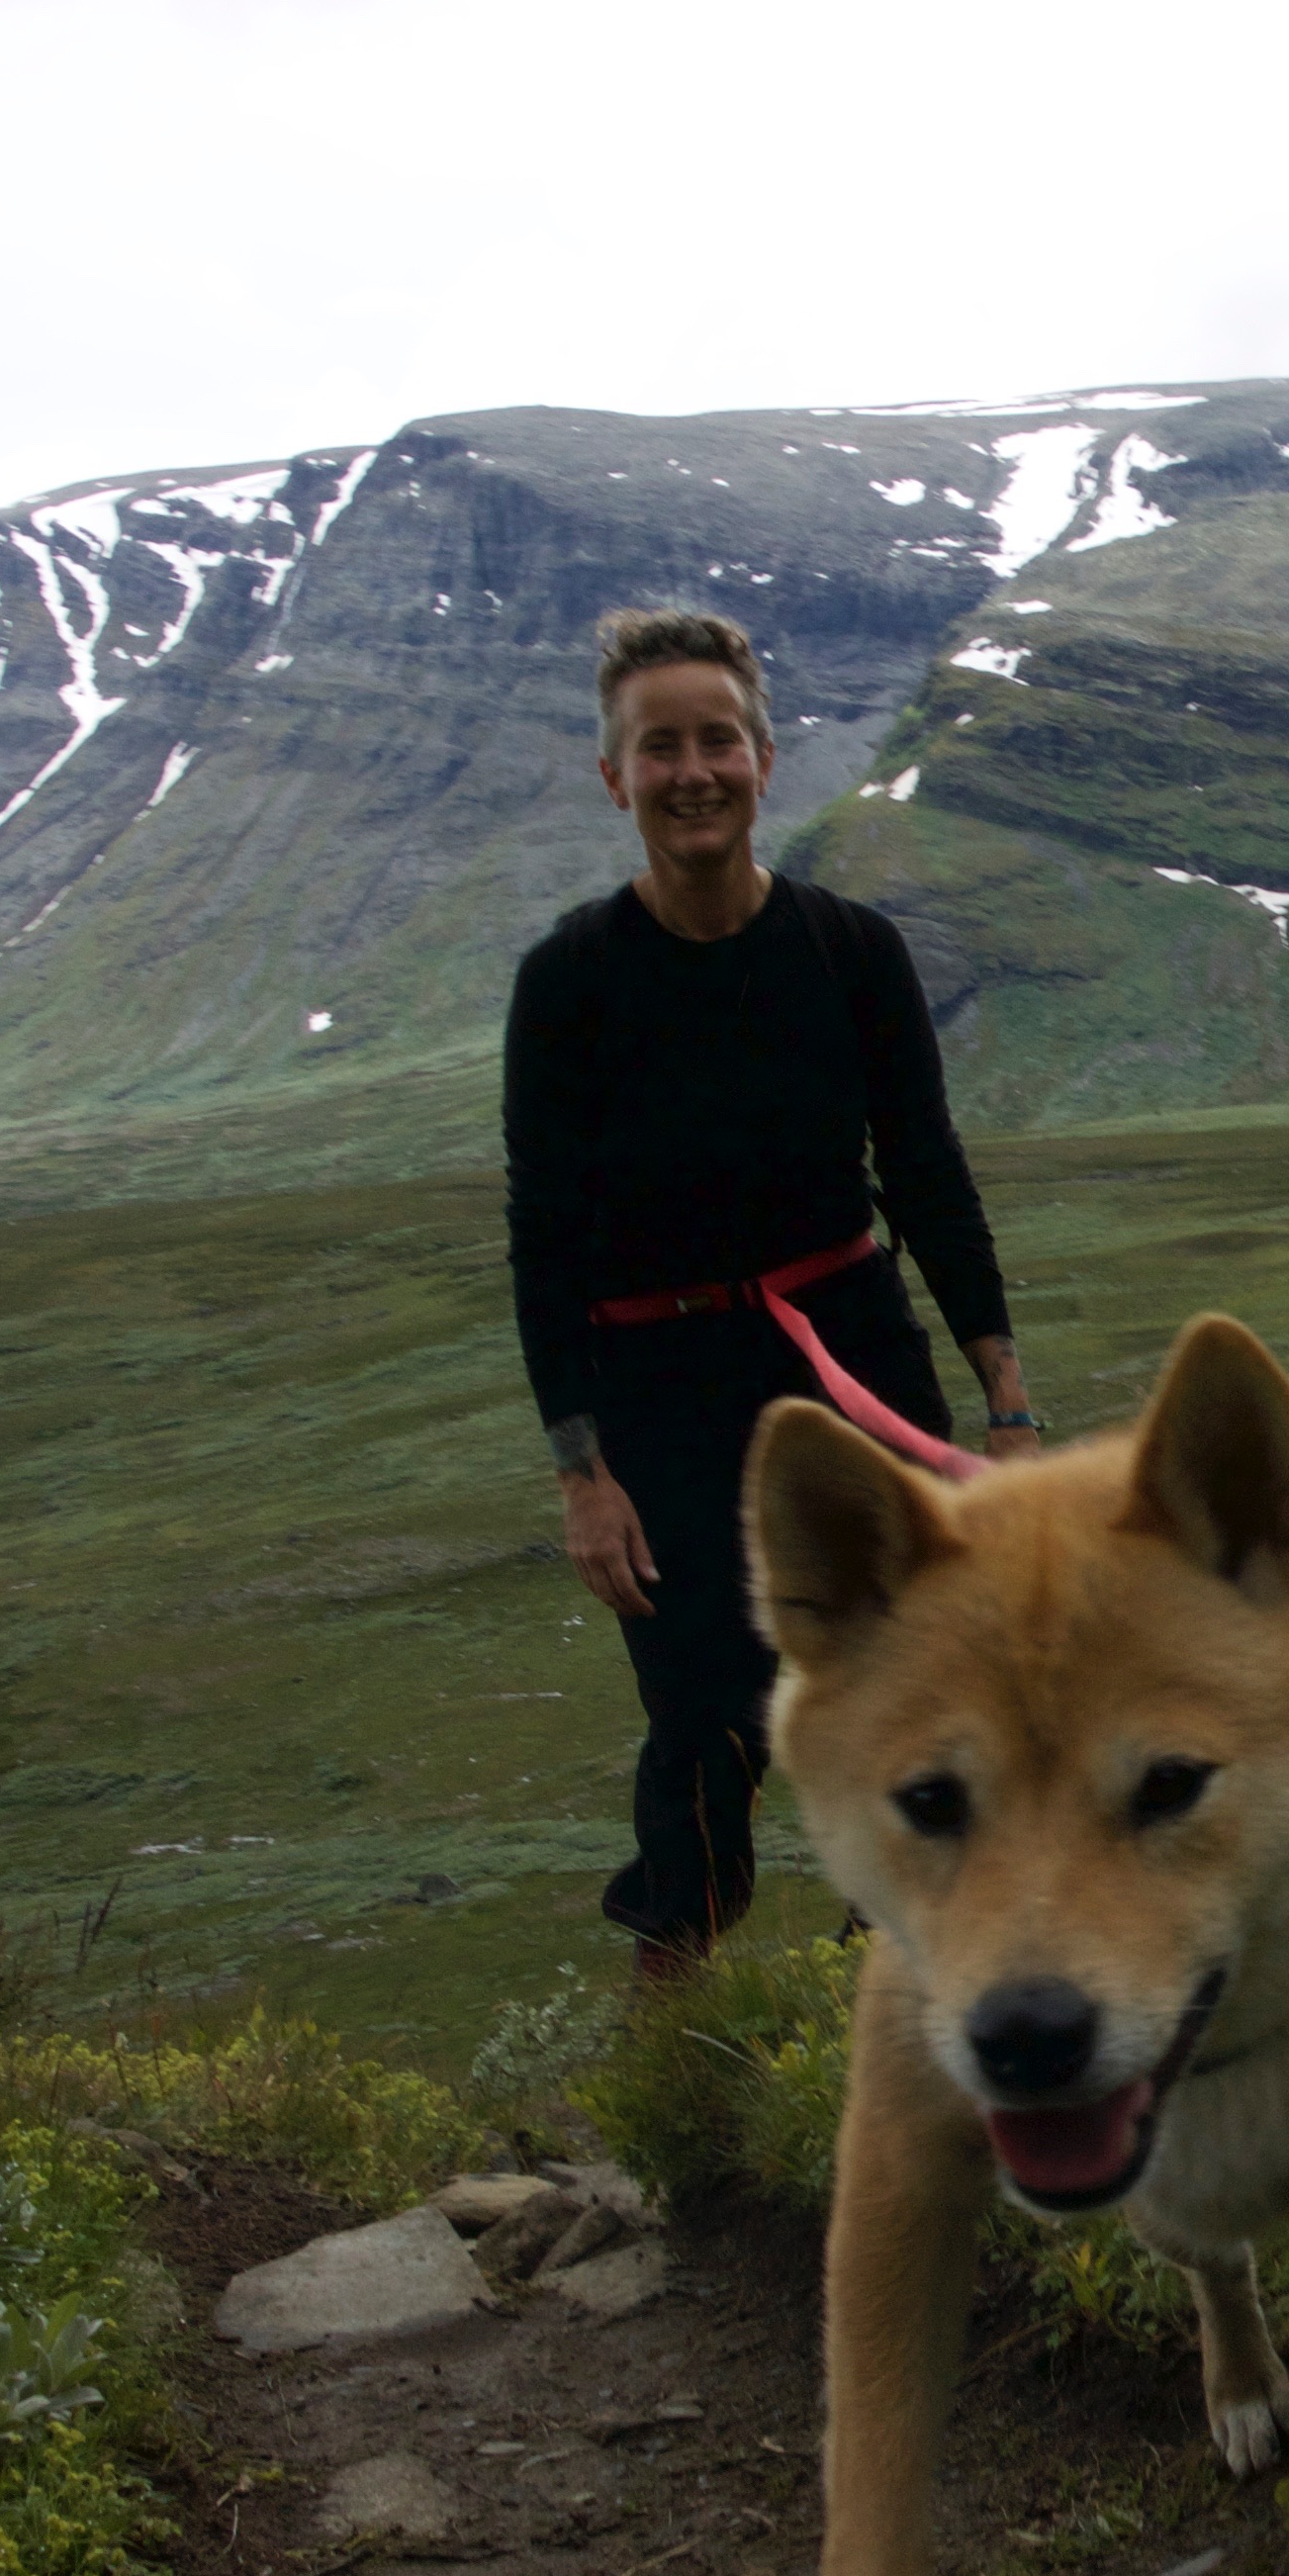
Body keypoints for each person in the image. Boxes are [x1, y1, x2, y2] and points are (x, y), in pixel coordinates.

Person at [503, 608, 1043, 1974]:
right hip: (658, 1392)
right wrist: (583, 1471)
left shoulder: (851, 954)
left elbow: (926, 1177)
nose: (694, 770)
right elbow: (545, 1236)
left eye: (718, 740)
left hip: (851, 1351)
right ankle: (676, 2026)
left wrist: (1007, 1409)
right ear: (613, 777)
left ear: (765, 757)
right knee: (702, 1711)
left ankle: (898, 1991)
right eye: (659, 746)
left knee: (916, 1676)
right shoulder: (568, 983)